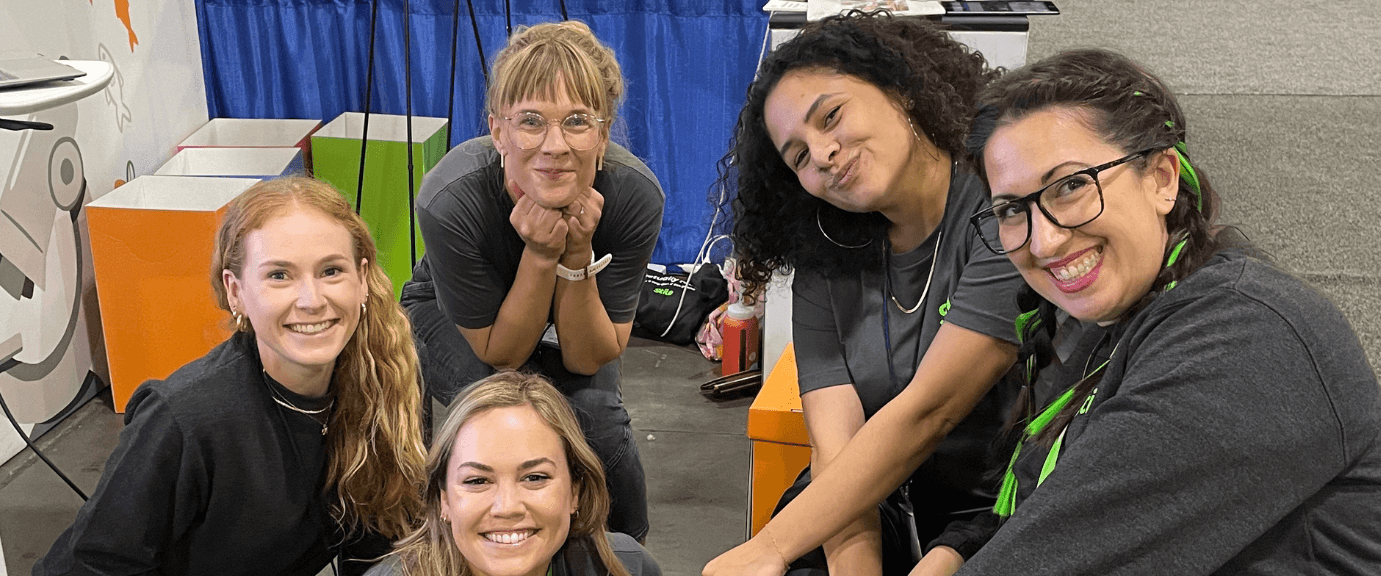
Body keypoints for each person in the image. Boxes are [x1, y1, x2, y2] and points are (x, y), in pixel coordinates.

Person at [916, 48, 1381, 575]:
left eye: (1071, 186)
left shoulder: (1247, 341)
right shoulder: (1106, 325)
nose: (1042, 241)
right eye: (1011, 210)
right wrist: (956, 548)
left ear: (1161, 178)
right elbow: (1044, 498)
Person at [707, 11, 1026, 576]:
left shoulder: (1002, 205)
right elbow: (838, 452)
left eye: (831, 117)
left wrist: (769, 548)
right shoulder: (824, 250)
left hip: (1003, 499)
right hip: (880, 495)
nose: (823, 154)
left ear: (899, 89)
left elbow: (928, 412)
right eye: (799, 156)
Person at [35, 176, 428, 575]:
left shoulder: (389, 374)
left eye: (331, 271)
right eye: (279, 275)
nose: (312, 300)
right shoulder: (186, 419)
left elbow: (379, 540)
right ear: (236, 291)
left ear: (362, 280)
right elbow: (90, 566)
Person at [400, 20, 662, 542]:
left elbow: (589, 356)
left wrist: (577, 249)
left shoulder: (635, 197)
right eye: (531, 121)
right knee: (500, 405)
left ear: (604, 133)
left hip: (564, 302)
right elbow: (504, 353)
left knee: (598, 419)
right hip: (456, 314)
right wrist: (541, 252)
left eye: (578, 122)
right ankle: (456, 541)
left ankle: (625, 552)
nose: (555, 146)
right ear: (497, 130)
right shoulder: (450, 199)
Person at [364, 371, 662, 576]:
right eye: (477, 481)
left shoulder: (625, 567)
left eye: (535, 477)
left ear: (576, 492)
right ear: (444, 500)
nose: (506, 507)